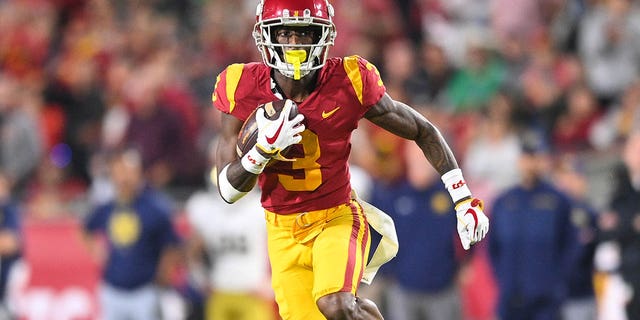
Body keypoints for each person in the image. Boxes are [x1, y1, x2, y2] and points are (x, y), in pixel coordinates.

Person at [212, 1, 489, 319]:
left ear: (324, 36)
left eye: (305, 34)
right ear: (264, 36)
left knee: (336, 304)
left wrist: (462, 198)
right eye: (285, 33)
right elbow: (228, 190)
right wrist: (261, 152)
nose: (294, 45)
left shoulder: (349, 80)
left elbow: (422, 129)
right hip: (281, 230)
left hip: (336, 217)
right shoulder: (240, 86)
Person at [83, 147, 182, 320]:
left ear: (139, 174)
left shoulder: (155, 207)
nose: (123, 178)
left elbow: (172, 245)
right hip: (112, 289)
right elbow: (85, 229)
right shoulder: (107, 206)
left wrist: (163, 275)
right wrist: (97, 251)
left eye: (128, 172)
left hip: (144, 290)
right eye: (118, 172)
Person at [488, 138, 578, 320]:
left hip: (546, 297)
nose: (530, 164)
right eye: (526, 158)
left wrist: (556, 280)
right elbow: (492, 246)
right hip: (511, 294)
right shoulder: (503, 201)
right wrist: (504, 277)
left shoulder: (558, 201)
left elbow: (571, 244)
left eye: (535, 158)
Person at [598, 130, 640, 319]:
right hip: (628, 272)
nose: (632, 153)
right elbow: (606, 229)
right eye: (631, 148)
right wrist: (631, 224)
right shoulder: (621, 190)